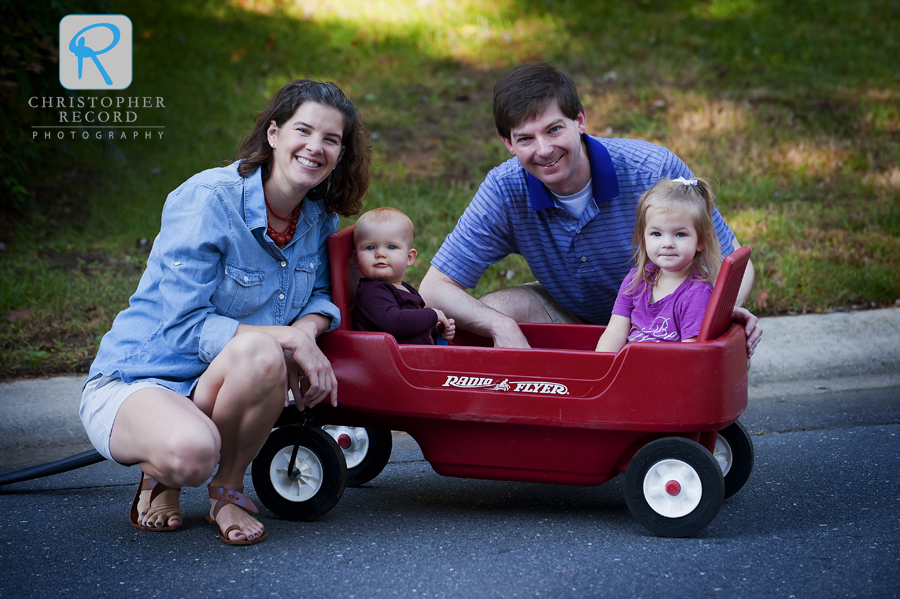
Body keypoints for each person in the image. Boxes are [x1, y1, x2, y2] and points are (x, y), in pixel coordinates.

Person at [79, 80, 371, 546]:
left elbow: (321, 294)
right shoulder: (209, 199)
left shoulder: (317, 214)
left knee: (262, 353)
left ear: (342, 152)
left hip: (227, 377)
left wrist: (306, 331)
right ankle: (162, 475)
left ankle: (227, 490)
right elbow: (182, 325)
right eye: (304, 130)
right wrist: (291, 340)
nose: (315, 148)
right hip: (145, 375)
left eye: (331, 139)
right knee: (194, 453)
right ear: (273, 133)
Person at [418, 63, 762, 356]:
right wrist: (500, 326)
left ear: (579, 120)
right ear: (508, 143)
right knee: (489, 315)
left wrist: (722, 314)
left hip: (664, 317)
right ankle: (535, 420)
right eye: (525, 139)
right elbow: (433, 289)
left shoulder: (650, 169)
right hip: (571, 314)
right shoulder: (504, 189)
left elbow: (733, 262)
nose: (544, 150)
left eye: (554, 129)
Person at [595, 177, 720, 353]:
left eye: (680, 234)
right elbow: (615, 332)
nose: (667, 243)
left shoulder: (696, 294)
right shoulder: (636, 279)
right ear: (643, 239)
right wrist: (602, 365)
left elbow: (690, 354)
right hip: (629, 369)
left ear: (701, 241)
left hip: (668, 373)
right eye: (656, 233)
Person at [352, 207, 456, 344]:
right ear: (356, 259)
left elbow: (409, 325)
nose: (380, 254)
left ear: (409, 257)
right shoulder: (372, 292)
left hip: (413, 359)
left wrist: (435, 329)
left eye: (391, 247)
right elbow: (394, 322)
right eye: (370, 247)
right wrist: (432, 315)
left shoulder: (403, 288)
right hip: (390, 363)